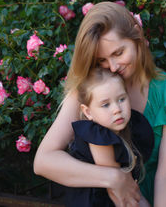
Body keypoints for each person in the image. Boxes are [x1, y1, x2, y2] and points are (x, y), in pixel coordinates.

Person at [34, 1, 166, 207]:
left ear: (137, 36)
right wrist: (113, 178)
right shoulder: (90, 90)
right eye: (102, 61)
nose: (113, 67)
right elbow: (43, 161)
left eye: (118, 53)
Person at [65, 67, 152, 207]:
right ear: (88, 112)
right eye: (106, 105)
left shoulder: (129, 128)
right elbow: (117, 191)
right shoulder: (97, 137)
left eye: (121, 99)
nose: (117, 109)